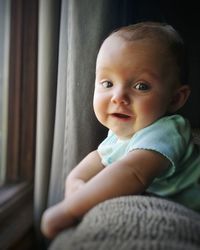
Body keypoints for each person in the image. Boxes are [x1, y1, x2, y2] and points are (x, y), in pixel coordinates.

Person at [41, 21, 200, 239]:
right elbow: (98, 157)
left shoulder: (168, 130)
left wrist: (70, 209)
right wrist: (74, 182)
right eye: (107, 83)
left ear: (175, 98)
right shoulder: (120, 135)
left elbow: (132, 173)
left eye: (141, 86)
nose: (118, 97)